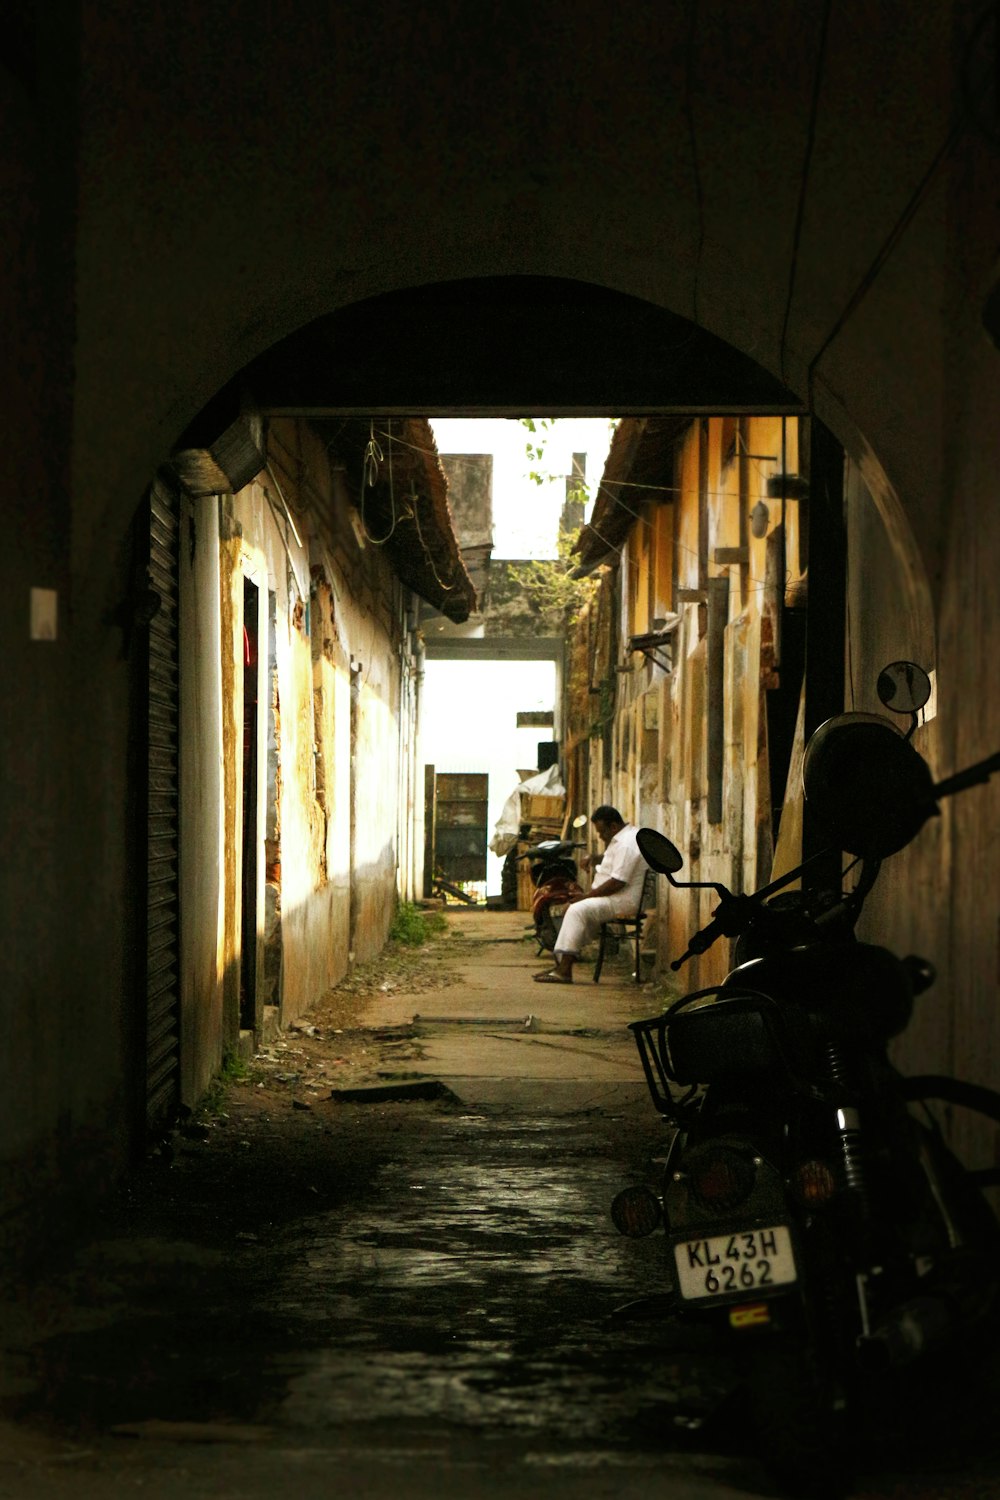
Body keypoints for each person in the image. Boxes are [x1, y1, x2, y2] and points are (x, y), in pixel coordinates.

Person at [533, 805, 646, 983]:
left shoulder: (627, 844)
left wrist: (587, 897)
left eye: (602, 832)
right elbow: (614, 859)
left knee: (577, 910)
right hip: (612, 897)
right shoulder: (622, 838)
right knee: (575, 909)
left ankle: (564, 970)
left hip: (622, 899)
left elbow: (618, 882)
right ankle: (561, 964)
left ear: (614, 827)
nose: (601, 837)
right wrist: (594, 859)